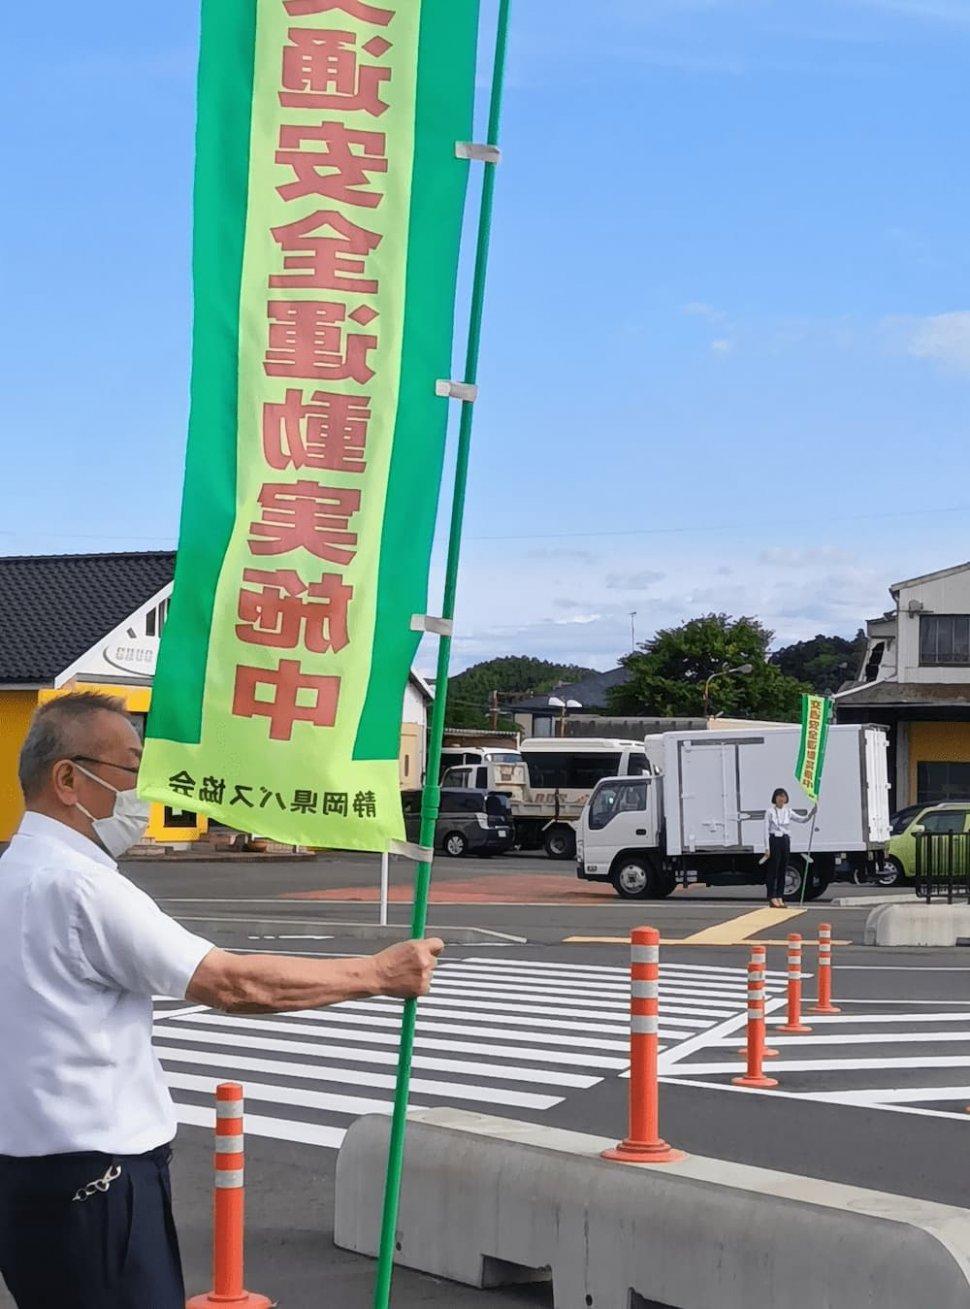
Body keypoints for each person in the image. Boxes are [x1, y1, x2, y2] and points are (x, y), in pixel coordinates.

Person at [0, 691, 443, 1309]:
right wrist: (376, 972)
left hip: (24, 1177)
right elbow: (233, 983)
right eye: (132, 768)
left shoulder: (13, 871)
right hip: (96, 1179)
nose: (143, 790)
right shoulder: (82, 888)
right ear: (69, 779)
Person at [762, 787, 817, 908]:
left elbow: (802, 820)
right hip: (774, 840)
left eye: (783, 796)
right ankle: (772, 896)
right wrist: (767, 847)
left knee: (783, 868)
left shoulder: (788, 811)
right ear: (775, 798)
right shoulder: (770, 811)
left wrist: (811, 814)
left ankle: (780, 896)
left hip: (785, 840)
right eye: (778, 796)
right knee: (774, 869)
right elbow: (765, 830)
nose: (781, 799)